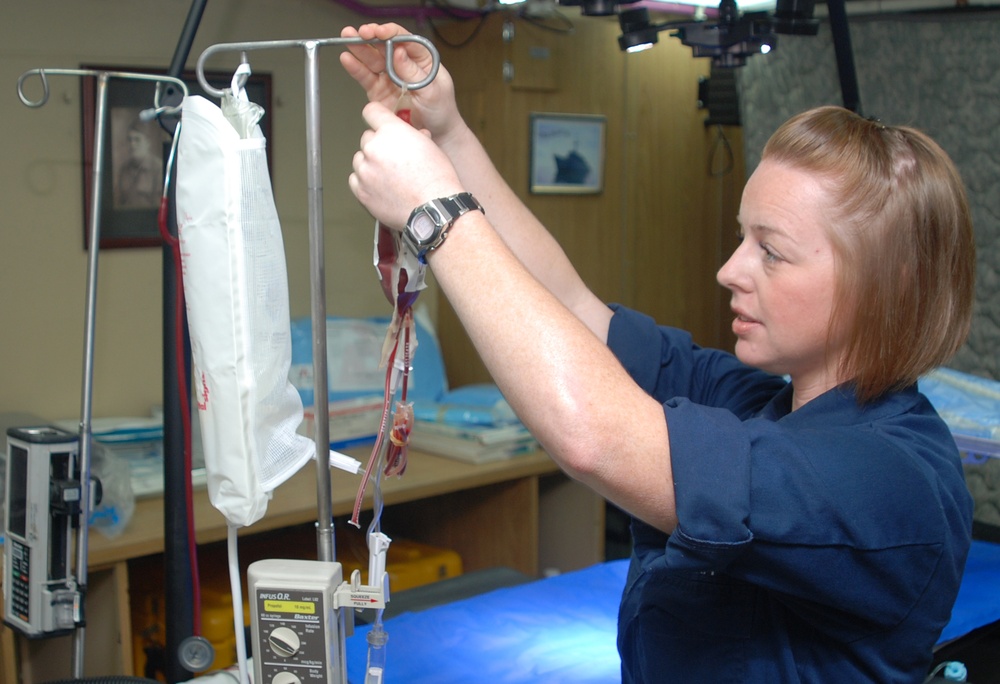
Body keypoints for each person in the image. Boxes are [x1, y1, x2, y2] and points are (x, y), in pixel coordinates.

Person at [340, 23, 977, 683]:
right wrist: (449, 136)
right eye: (741, 238)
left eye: (772, 251)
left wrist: (435, 214)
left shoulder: (888, 479)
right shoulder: (762, 403)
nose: (730, 270)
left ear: (884, 285)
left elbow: (597, 437)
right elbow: (574, 311)